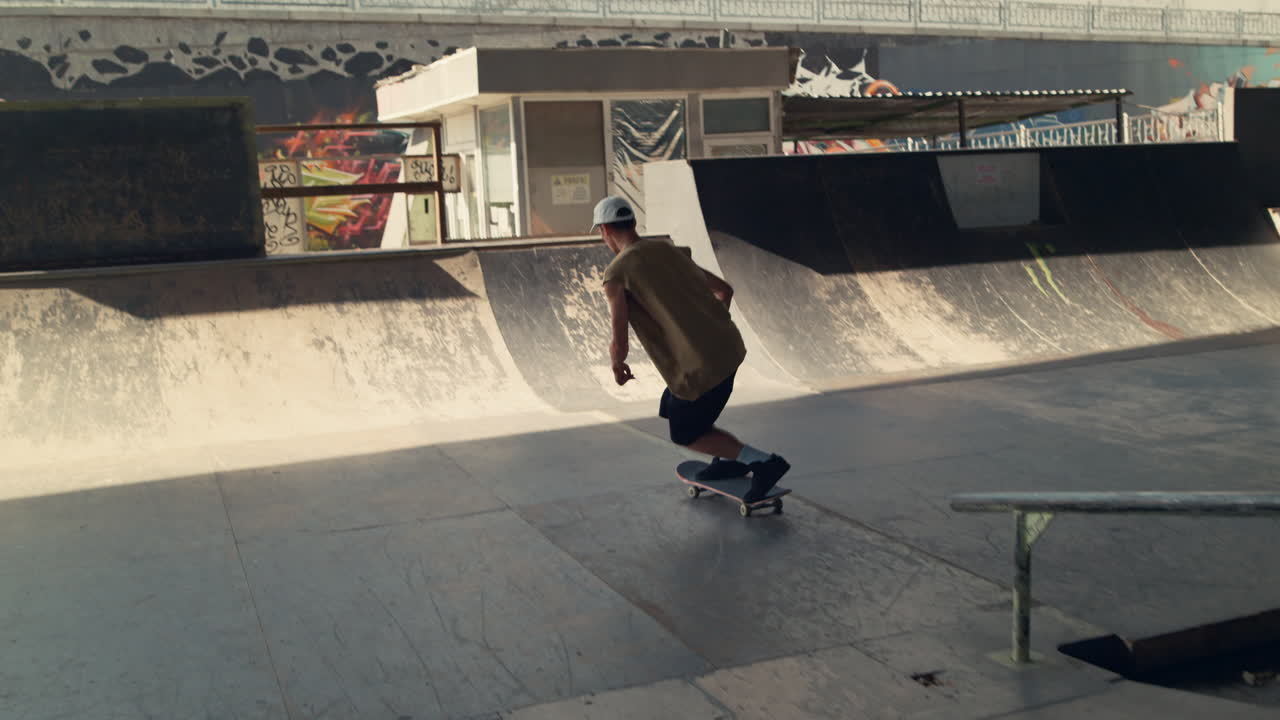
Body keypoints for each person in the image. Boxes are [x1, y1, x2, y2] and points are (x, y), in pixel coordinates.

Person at [592, 195, 790, 501]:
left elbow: (619, 336)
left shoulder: (617, 274)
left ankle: (762, 463)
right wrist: (709, 329)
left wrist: (618, 365)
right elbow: (724, 290)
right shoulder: (667, 249)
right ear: (632, 223)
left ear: (605, 230)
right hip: (729, 348)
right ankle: (727, 459)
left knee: (685, 432)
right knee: (672, 405)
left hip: (701, 366)